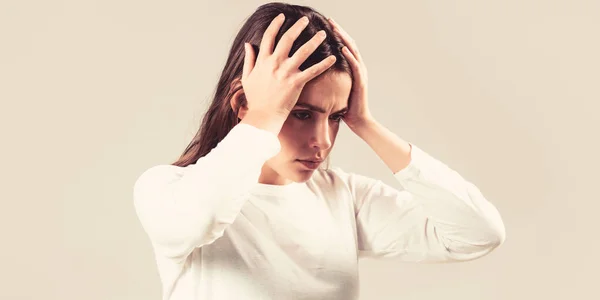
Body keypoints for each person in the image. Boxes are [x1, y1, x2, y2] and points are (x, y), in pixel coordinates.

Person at [133, 2, 506, 300]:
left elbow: (478, 233)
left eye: (335, 117)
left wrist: (365, 123)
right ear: (243, 102)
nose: (323, 142)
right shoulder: (167, 189)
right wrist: (265, 114)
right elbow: (201, 217)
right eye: (301, 113)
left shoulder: (343, 197)